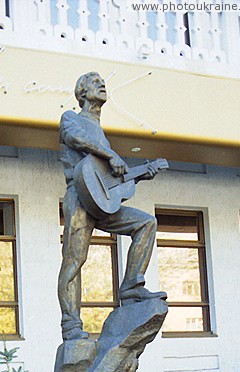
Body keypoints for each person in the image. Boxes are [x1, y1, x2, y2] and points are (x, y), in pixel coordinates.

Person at [58, 71, 166, 341]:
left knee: (146, 222)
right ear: (82, 92)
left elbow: (111, 184)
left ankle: (132, 286)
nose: (102, 84)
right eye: (95, 82)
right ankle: (71, 327)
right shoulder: (71, 118)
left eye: (102, 82)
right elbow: (75, 140)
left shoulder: (101, 132)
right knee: (74, 261)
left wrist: (140, 175)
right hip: (79, 199)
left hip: (101, 204)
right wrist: (110, 154)